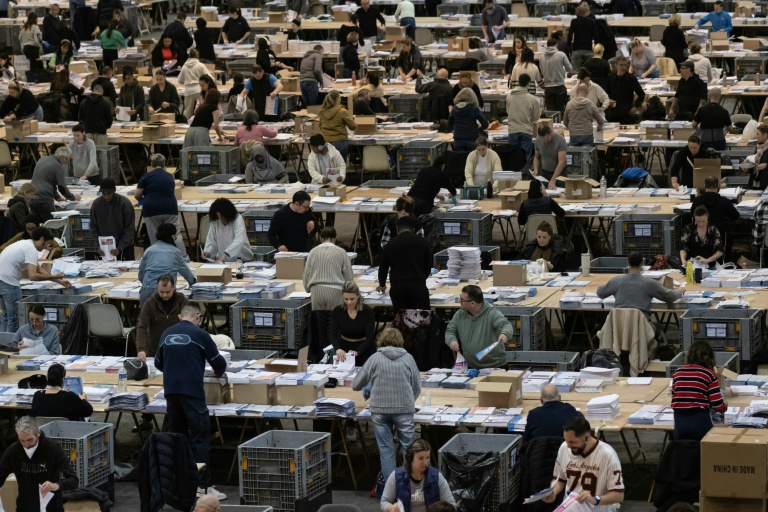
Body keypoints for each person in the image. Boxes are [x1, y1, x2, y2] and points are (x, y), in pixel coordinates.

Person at [155, 303, 227, 501]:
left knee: (178, 437)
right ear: (198, 316)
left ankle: (178, 482)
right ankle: (202, 486)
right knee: (200, 437)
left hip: (171, 393)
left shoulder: (166, 334)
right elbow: (219, 364)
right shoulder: (200, 335)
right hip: (193, 393)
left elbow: (158, 363)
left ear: (180, 316)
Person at [352, 328, 421, 482]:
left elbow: (356, 384)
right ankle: (411, 485)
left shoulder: (374, 358)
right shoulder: (408, 358)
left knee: (385, 449)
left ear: (381, 340)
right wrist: (408, 401)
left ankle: (391, 488)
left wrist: (368, 387)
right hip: (404, 408)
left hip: (380, 409)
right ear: (400, 341)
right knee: (409, 449)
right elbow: (417, 387)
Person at [542, 417, 624, 510]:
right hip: (570, 508)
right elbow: (560, 479)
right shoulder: (564, 447)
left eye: (572, 442)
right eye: (566, 440)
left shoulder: (608, 454)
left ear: (586, 437)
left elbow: (618, 496)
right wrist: (553, 492)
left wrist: (595, 499)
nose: (568, 446)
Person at [0, 416, 78, 512]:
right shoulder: (13, 451)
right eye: (22, 441)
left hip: (52, 507)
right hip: (25, 507)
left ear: (38, 433)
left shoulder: (53, 449)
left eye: (30, 440)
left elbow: (74, 480)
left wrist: (56, 485)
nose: (26, 445)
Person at [0, 227, 69, 332]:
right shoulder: (31, 249)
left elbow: (38, 268)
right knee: (13, 319)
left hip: (2, 282)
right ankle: (10, 346)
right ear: (42, 239)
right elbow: (33, 276)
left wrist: (59, 281)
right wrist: (54, 276)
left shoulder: (25, 244)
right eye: (47, 243)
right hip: (9, 284)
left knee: (6, 317)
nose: (47, 247)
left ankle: (3, 344)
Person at [596, 252, 683, 319]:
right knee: (657, 331)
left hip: (620, 328)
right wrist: (680, 291)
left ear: (628, 263)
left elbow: (600, 293)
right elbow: (669, 297)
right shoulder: (650, 283)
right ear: (642, 263)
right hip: (642, 328)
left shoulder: (616, 281)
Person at [445, 284, 513, 369]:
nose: (460, 302)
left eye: (462, 300)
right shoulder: (460, 314)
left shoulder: (492, 313)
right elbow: (450, 331)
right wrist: (451, 340)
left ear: (472, 303)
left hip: (495, 367)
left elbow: (506, 325)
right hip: (471, 366)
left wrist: (505, 334)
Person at [380, 438, 456, 512]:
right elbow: (384, 502)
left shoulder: (437, 477)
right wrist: (392, 508)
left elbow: (452, 505)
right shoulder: (396, 476)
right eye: (420, 458)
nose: (426, 462)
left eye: (428, 458)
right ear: (410, 458)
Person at [671, 340, 727, 441]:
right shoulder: (709, 374)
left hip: (679, 423)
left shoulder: (677, 372)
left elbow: (675, 396)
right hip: (700, 423)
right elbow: (717, 404)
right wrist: (725, 407)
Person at [134, 153, 186, 254]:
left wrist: (144, 198)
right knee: (175, 234)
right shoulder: (169, 176)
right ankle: (183, 257)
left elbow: (137, 195)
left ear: (152, 164)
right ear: (164, 164)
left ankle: (158, 257)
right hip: (169, 208)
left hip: (151, 209)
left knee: (155, 236)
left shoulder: (146, 177)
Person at [378, 216, 432, 312]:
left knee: (401, 321)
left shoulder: (390, 245)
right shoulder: (423, 242)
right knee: (421, 319)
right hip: (418, 286)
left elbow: (383, 268)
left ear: (397, 229)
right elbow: (428, 266)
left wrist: (382, 284)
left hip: (398, 288)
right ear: (414, 229)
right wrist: (421, 278)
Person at [138, 223, 195, 305]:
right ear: (172, 236)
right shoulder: (175, 252)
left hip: (146, 292)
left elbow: (141, 274)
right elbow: (186, 273)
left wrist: (148, 284)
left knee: (146, 316)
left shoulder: (149, 250)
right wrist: (193, 284)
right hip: (166, 293)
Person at [136, 274, 188, 362]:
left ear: (174, 288)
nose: (164, 295)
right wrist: (141, 350)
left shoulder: (183, 302)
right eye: (161, 292)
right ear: (157, 288)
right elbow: (142, 327)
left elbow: (191, 326)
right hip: (155, 352)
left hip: (179, 350)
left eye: (167, 292)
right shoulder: (150, 303)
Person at [303, 226, 353, 310]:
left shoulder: (313, 252)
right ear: (335, 239)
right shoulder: (341, 252)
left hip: (316, 290)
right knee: (334, 320)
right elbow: (348, 276)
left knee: (319, 321)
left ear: (321, 238)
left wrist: (307, 289)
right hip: (335, 291)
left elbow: (306, 274)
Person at [331, 280, 375, 365]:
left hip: (364, 348)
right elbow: (332, 334)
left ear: (358, 296)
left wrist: (357, 351)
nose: (349, 302)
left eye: (352, 299)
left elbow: (369, 337)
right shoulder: (337, 311)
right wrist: (337, 349)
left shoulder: (367, 311)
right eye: (346, 299)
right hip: (344, 348)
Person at [90, 178, 135, 260]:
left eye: (108, 193)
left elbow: (130, 229)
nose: (106, 197)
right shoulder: (96, 204)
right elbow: (93, 227)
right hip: (105, 249)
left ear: (114, 190)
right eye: (104, 194)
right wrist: (99, 245)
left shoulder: (124, 204)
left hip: (125, 248)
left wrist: (120, 247)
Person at [30, 147, 78, 222]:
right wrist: (73, 197)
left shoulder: (42, 159)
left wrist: (58, 198)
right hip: (44, 200)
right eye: (67, 159)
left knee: (37, 226)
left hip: (32, 198)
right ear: (62, 157)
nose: (67, 162)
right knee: (53, 226)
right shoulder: (58, 166)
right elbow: (62, 188)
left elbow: (49, 182)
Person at [203, 198, 252, 263]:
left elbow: (239, 241)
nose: (220, 218)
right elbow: (212, 240)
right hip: (221, 260)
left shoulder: (237, 219)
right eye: (218, 216)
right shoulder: (215, 221)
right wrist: (209, 252)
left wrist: (225, 256)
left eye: (221, 216)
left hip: (240, 258)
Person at [506, 73, 540, 161]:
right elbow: (536, 118)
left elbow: (507, 111)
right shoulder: (532, 99)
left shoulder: (509, 97)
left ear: (518, 82)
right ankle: (524, 174)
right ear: (529, 83)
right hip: (526, 130)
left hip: (512, 130)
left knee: (513, 157)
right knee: (525, 158)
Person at [605, 56, 645, 124]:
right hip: (613, 111)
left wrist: (635, 107)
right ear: (616, 65)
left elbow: (641, 94)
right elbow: (606, 92)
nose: (623, 67)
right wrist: (608, 99)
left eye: (625, 65)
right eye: (621, 65)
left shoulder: (631, 78)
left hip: (626, 111)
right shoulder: (610, 77)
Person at [319, 90, 356, 161]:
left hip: (326, 142)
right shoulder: (342, 111)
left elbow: (320, 126)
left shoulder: (323, 112)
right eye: (340, 97)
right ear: (337, 99)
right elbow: (353, 126)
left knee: (329, 167)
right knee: (340, 167)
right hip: (340, 141)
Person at [540, 38, 572, 115]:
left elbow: (541, 72)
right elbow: (570, 69)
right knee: (560, 110)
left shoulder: (541, 56)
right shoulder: (561, 55)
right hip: (559, 85)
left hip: (547, 86)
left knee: (550, 112)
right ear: (556, 45)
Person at [178, 49, 212, 120]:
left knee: (187, 113)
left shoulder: (184, 66)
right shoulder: (200, 65)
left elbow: (180, 80)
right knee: (202, 110)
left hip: (188, 90)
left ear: (189, 56)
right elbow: (209, 77)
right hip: (198, 89)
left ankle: (187, 127)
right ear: (198, 56)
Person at [533, 124, 567, 189]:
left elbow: (561, 162)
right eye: (543, 140)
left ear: (551, 133)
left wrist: (553, 179)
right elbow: (536, 157)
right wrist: (536, 169)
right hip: (545, 172)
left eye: (547, 139)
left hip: (559, 173)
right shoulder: (538, 140)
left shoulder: (560, 140)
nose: (545, 141)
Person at [568, 3, 595, 69]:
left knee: (574, 71)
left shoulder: (574, 21)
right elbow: (596, 35)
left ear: (577, 12)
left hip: (577, 48)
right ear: (586, 12)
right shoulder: (592, 21)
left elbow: (570, 35)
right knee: (589, 70)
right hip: (588, 48)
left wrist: (569, 47)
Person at [753, 124, 768, 189]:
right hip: (757, 182)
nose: (756, 136)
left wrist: (766, 165)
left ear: (765, 135)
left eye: (758, 134)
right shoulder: (759, 147)